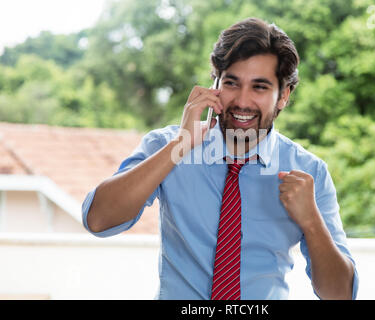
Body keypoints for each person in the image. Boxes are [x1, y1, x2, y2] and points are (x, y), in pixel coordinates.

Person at [82, 17, 359, 300]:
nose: (242, 100)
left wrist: (311, 222)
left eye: (260, 87)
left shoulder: (310, 172)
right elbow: (98, 220)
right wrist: (180, 145)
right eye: (231, 83)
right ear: (214, 84)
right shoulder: (168, 146)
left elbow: (340, 295)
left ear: (283, 96)